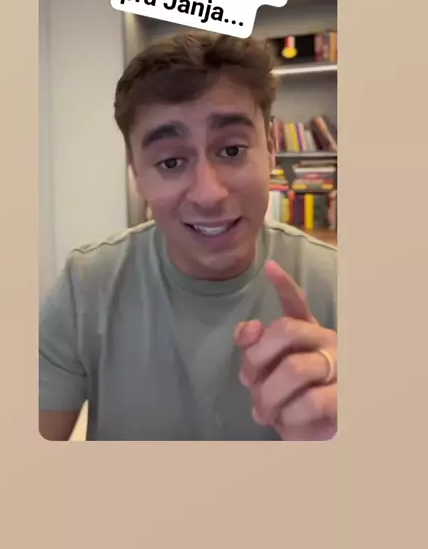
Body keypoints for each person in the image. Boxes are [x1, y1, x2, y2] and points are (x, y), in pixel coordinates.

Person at [39, 31, 337, 442]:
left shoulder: (336, 282)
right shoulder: (85, 288)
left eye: (232, 150)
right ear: (137, 173)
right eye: (171, 162)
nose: (208, 194)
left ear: (270, 148)